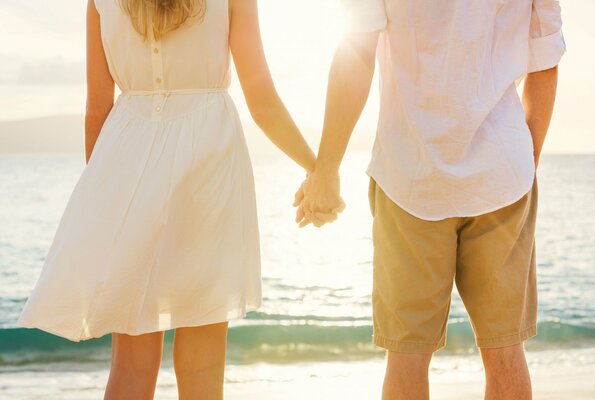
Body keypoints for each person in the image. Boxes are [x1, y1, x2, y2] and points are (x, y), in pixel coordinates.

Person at [18, 0, 316, 399]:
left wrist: (104, 199)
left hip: (127, 162)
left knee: (130, 369)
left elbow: (97, 107)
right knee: (203, 368)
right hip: (209, 160)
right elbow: (260, 97)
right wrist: (317, 168)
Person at [296, 0, 565, 399]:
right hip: (500, 175)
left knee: (407, 355)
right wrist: (526, 158)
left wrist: (326, 170)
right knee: (505, 350)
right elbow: (545, 52)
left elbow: (358, 50)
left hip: (410, 172)